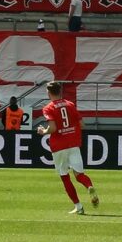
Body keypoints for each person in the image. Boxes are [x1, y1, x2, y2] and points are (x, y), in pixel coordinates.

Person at [37, 81, 98, 214]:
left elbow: (52, 128)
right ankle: (89, 186)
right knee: (80, 175)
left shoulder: (48, 108)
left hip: (59, 146)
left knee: (64, 176)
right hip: (73, 143)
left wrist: (43, 132)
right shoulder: (70, 105)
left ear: (48, 93)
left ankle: (79, 206)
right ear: (60, 92)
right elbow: (82, 124)